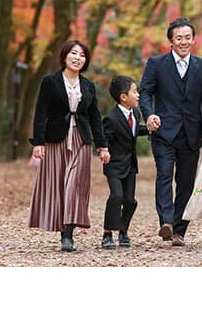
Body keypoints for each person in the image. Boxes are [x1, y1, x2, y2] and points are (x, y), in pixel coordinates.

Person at [139, 17, 202, 247]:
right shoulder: (156, 64)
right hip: (163, 131)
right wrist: (149, 115)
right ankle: (166, 222)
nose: (183, 42)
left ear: (193, 39)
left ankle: (179, 230)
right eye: (178, 38)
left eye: (187, 37)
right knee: (164, 174)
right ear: (170, 41)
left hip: (191, 133)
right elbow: (145, 93)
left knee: (185, 182)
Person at [28, 39, 110, 252]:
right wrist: (38, 142)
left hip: (81, 140)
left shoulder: (89, 86)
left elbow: (95, 118)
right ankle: (60, 225)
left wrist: (102, 146)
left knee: (75, 185)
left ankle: (68, 234)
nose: (77, 58)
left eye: (82, 55)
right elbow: (40, 113)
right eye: (74, 53)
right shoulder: (50, 81)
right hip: (55, 139)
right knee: (58, 185)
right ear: (64, 56)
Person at [100, 75, 149, 249]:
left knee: (130, 201)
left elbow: (133, 132)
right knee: (116, 196)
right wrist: (103, 149)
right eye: (135, 92)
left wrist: (148, 129)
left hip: (130, 166)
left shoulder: (135, 113)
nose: (138, 95)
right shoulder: (111, 119)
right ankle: (107, 234)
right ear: (123, 96)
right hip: (114, 166)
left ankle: (123, 231)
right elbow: (104, 137)